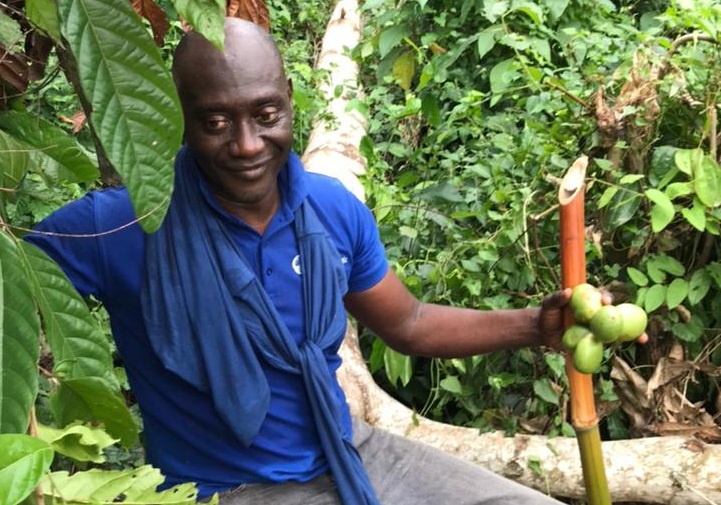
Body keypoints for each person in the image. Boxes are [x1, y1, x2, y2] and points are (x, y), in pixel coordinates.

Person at [26, 18, 631, 505]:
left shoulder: (331, 211)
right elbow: (15, 287)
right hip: (222, 489)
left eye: (265, 115)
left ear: (290, 100)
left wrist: (534, 325)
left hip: (347, 448)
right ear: (179, 117)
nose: (245, 144)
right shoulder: (123, 223)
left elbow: (409, 322)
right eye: (215, 121)